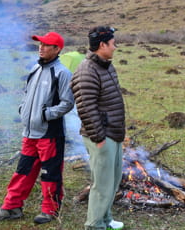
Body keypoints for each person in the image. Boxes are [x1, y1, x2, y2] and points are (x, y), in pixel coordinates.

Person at [0, 31, 75, 224]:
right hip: (29, 133)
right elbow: (26, 93)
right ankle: (11, 207)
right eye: (40, 44)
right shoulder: (35, 68)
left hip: (49, 134)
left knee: (49, 173)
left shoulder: (62, 73)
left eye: (46, 44)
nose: (41, 47)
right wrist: (23, 108)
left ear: (57, 49)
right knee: (22, 171)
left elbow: (68, 103)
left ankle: (50, 210)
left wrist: (45, 114)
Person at [70, 26, 125, 230]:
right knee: (101, 184)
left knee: (113, 180)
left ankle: (106, 219)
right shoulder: (87, 70)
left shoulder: (107, 66)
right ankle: (94, 225)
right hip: (102, 135)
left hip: (114, 133)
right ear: (102, 45)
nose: (115, 47)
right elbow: (85, 107)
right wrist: (99, 137)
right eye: (112, 43)